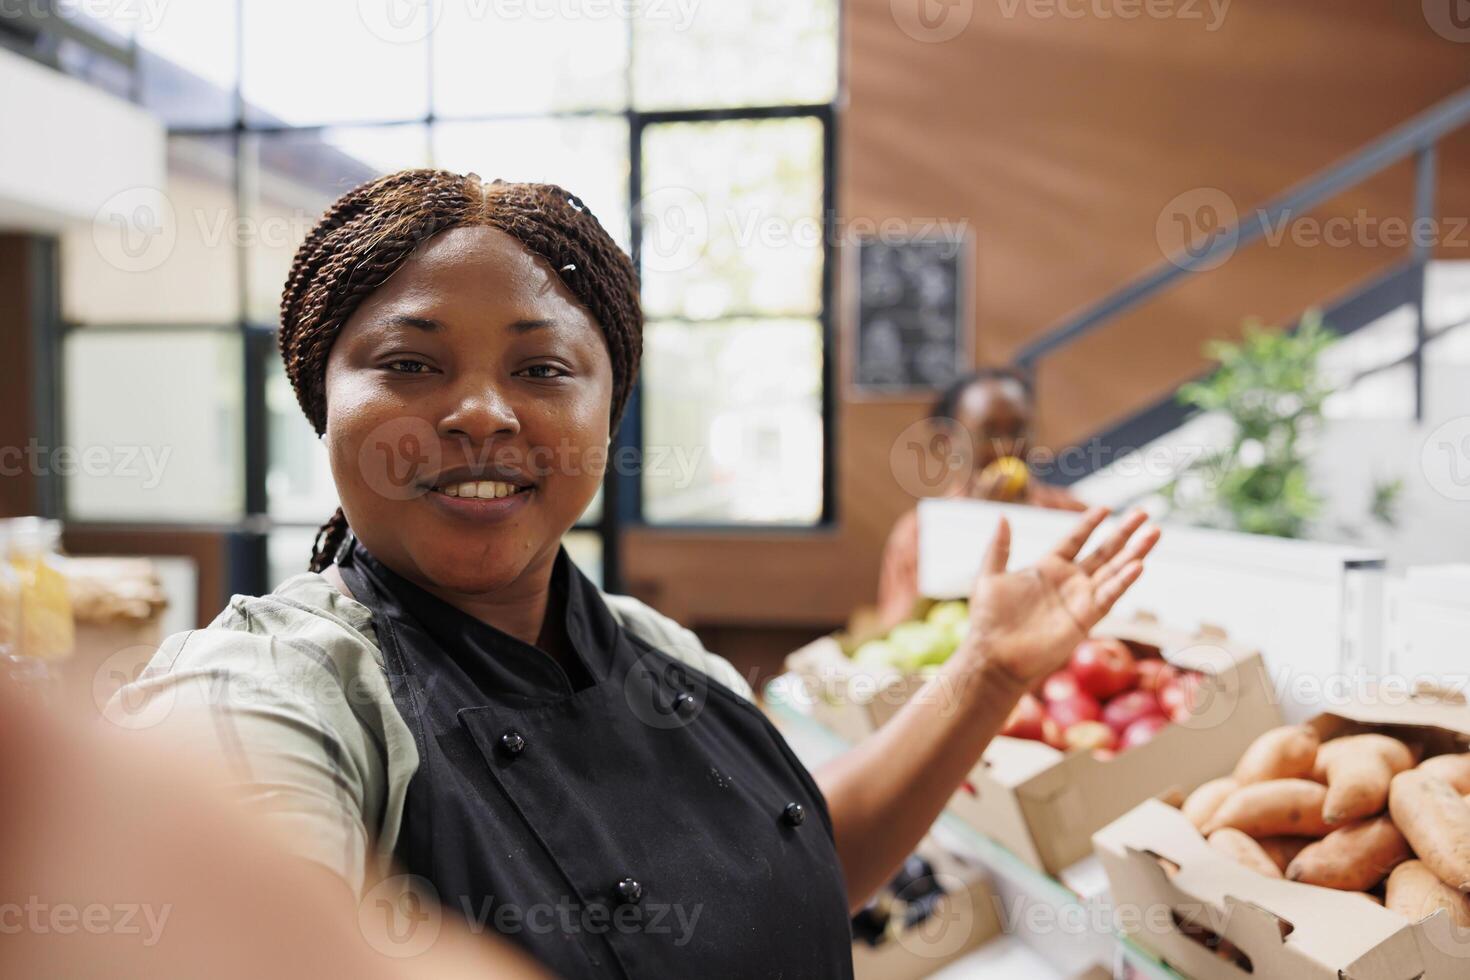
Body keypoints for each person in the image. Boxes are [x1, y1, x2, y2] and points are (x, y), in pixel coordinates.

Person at [111, 170, 1158, 978]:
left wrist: (984, 673)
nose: (483, 410)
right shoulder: (270, 689)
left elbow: (790, 862)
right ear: (319, 400)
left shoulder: (664, 652)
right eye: (411, 362)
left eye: (542, 368)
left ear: (607, 410)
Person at [877, 367, 1087, 629]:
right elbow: (903, 631)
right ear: (947, 443)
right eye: (989, 433)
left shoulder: (1073, 515)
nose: (1008, 446)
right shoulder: (917, 534)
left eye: (1019, 430)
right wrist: (977, 522)